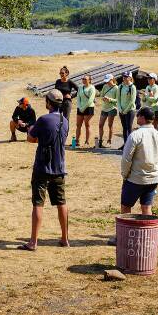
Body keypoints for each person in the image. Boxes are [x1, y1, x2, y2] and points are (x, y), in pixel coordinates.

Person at [20, 90, 70, 251]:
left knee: (38, 203)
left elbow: (31, 138)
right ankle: (65, 238)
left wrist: (29, 128)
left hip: (42, 166)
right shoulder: (65, 120)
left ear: (48, 103)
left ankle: (33, 241)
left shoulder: (43, 119)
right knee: (61, 202)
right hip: (59, 167)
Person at [111, 107, 158, 244]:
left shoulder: (135, 135)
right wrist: (156, 172)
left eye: (138, 115)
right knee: (147, 207)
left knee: (126, 207)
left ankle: (123, 237)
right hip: (153, 177)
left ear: (142, 117)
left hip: (136, 178)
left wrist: (125, 174)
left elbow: (126, 158)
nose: (136, 118)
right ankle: (151, 237)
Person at [73, 74, 96, 148]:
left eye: (85, 79)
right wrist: (80, 107)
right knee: (78, 125)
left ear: (89, 80)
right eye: (83, 79)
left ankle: (87, 141)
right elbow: (78, 97)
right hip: (80, 108)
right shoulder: (80, 87)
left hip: (89, 108)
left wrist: (83, 108)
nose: (83, 80)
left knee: (87, 125)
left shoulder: (92, 88)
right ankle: (77, 141)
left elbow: (90, 100)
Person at [97, 74, 118, 149]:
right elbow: (101, 95)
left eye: (108, 81)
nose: (107, 82)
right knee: (100, 125)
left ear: (112, 79)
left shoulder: (116, 88)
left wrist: (110, 99)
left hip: (112, 108)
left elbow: (117, 100)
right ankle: (100, 141)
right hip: (104, 108)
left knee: (110, 125)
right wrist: (104, 98)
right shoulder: (105, 86)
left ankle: (109, 140)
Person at [117, 72, 138, 139]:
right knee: (124, 128)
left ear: (130, 78)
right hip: (122, 110)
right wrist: (120, 109)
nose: (124, 78)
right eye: (124, 76)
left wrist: (125, 110)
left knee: (129, 127)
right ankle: (125, 144)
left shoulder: (132, 87)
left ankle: (130, 145)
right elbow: (118, 99)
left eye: (126, 77)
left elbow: (132, 100)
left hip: (130, 110)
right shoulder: (120, 86)